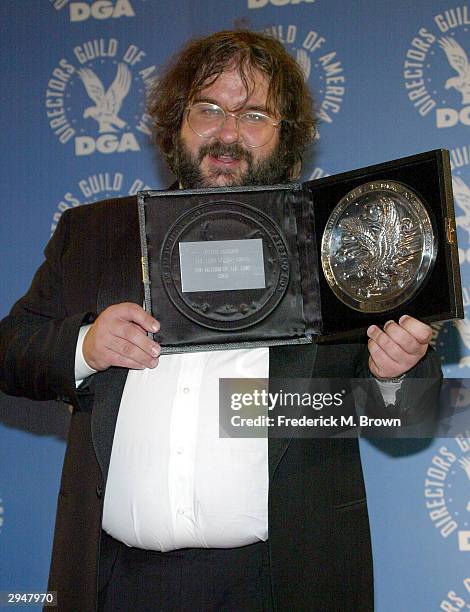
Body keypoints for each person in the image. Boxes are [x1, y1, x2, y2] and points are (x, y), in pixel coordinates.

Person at [0, 30, 440, 611]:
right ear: (176, 121)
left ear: (286, 135)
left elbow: (418, 410)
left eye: (254, 114)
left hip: (279, 587)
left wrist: (394, 372)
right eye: (209, 108)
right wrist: (86, 344)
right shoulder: (94, 235)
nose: (227, 132)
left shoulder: (333, 246)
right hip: (115, 585)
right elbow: (11, 349)